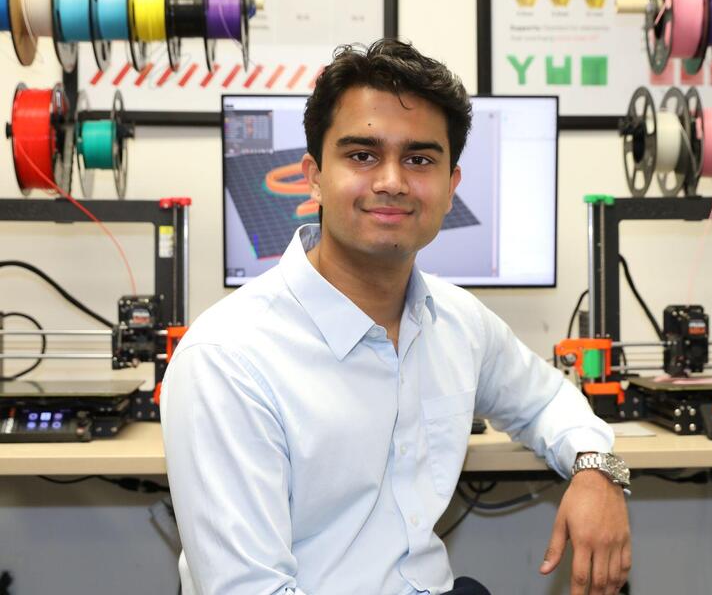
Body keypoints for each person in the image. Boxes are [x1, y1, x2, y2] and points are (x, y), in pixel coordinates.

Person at [161, 38, 631, 595]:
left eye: (419, 159)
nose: (392, 180)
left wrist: (597, 470)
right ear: (312, 175)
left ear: (451, 187)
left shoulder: (456, 321)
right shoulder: (227, 360)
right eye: (362, 155)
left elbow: (549, 400)